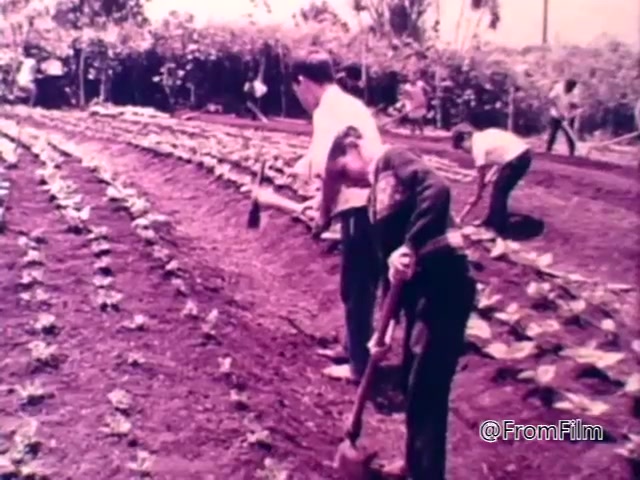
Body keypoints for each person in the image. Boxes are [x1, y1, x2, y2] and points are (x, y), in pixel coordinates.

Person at [317, 125, 476, 480]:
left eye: (344, 171)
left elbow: (438, 188)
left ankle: (426, 474)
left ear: (356, 148)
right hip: (420, 295)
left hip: (445, 283)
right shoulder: (375, 203)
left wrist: (410, 244)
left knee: (426, 389)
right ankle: (415, 463)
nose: (348, 182)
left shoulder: (394, 159)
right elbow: (394, 275)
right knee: (412, 384)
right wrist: (382, 332)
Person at [289, 50, 385, 383]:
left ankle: (359, 365)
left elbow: (332, 169)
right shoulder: (350, 104)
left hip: (360, 203)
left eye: (296, 90)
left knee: (358, 285)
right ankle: (352, 346)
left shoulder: (326, 112)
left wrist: (322, 212)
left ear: (302, 82)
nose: (298, 97)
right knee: (359, 282)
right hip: (372, 198)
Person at [452, 124, 532, 234]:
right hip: (522, 154)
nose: (464, 151)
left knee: (499, 192)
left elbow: (481, 174)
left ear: (466, 137)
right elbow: (500, 159)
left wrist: (477, 195)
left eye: (461, 147)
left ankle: (497, 229)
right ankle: (490, 221)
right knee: (498, 188)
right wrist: (487, 181)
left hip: (517, 158)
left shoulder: (477, 147)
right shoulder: (485, 135)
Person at [546, 78, 580, 156]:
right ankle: (548, 151)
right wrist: (557, 111)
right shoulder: (558, 88)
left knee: (569, 134)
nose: (568, 89)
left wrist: (568, 115)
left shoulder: (575, 92)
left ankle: (572, 154)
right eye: (567, 87)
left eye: (570, 88)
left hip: (569, 115)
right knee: (553, 133)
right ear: (565, 84)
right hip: (556, 114)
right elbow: (551, 99)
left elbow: (574, 105)